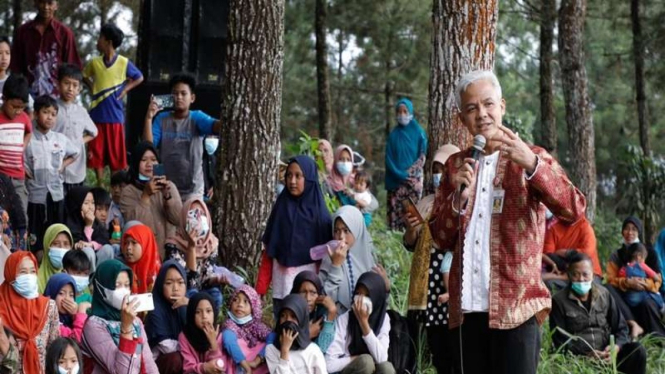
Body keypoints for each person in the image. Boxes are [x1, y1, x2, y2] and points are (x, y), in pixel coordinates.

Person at [428, 70, 586, 374]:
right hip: (466, 311)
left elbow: (574, 208)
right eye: (471, 108)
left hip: (516, 311)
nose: (482, 114)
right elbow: (440, 237)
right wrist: (456, 201)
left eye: (488, 104)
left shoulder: (531, 157)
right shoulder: (455, 166)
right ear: (462, 118)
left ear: (502, 106)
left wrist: (533, 166)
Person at [403, 144, 460, 374]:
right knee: (437, 349)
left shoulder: (462, 200)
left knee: (456, 347)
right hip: (427, 286)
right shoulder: (426, 201)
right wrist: (411, 229)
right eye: (435, 169)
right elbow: (410, 244)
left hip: (449, 282)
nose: (438, 175)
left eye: (444, 168)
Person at [257, 155, 332, 317]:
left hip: (308, 294)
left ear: (310, 178)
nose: (292, 181)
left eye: (298, 176)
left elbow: (324, 262)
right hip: (282, 290)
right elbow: (270, 252)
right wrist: (261, 289)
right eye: (289, 175)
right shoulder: (280, 208)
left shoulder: (321, 217)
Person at [550, 252, 647, 374]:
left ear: (593, 275)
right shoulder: (558, 301)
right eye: (575, 274)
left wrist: (615, 348)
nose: (581, 279)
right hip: (580, 362)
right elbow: (560, 341)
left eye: (585, 274)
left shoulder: (604, 294)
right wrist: (586, 357)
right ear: (569, 275)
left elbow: (621, 329)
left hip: (608, 355)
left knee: (637, 350)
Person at [144, 73, 222, 200]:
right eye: (175, 93)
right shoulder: (161, 119)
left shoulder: (197, 117)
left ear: (192, 98)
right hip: (165, 188)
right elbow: (148, 147)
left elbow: (215, 126)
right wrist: (149, 117)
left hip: (193, 190)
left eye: (183, 93)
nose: (179, 97)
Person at [84, 23, 143, 184]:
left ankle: (116, 188)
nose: (97, 41)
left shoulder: (124, 63)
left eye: (100, 38)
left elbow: (139, 77)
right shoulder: (94, 63)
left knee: (116, 157)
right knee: (96, 155)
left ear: (108, 42)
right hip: (96, 116)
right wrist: (92, 88)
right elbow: (84, 75)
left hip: (115, 117)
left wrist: (125, 90)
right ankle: (100, 187)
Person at [81, 259, 158, 373]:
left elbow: (145, 360)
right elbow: (122, 371)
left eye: (127, 285)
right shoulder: (94, 325)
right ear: (101, 287)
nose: (124, 291)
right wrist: (126, 327)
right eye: (117, 285)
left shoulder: (136, 322)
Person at [25, 95, 78, 255]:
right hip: (36, 196)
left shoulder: (60, 139)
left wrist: (62, 166)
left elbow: (75, 153)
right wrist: (27, 174)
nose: (50, 117)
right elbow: (19, 159)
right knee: (36, 239)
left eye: (53, 114)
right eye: (45, 112)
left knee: (56, 235)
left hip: (56, 195)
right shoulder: (29, 138)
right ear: (35, 114)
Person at [320, 206, 388, 315]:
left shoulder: (369, 258)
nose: (341, 237)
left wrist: (386, 287)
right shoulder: (329, 258)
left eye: (346, 231)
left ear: (357, 230)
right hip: (337, 325)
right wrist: (335, 266)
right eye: (336, 231)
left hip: (365, 325)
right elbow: (325, 300)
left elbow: (379, 303)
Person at [0, 251, 60, 373]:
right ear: (11, 274)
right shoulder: (2, 310)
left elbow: (55, 352)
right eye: (23, 272)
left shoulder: (48, 307)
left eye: (32, 271)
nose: (29, 276)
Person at [606, 216, 665, 338]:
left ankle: (659, 337)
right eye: (626, 229)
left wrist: (645, 284)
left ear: (639, 232)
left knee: (648, 303)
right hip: (626, 294)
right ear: (622, 231)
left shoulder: (649, 253)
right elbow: (611, 280)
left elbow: (658, 279)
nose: (630, 232)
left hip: (646, 293)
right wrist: (627, 282)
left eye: (634, 229)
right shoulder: (617, 255)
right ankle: (632, 324)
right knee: (607, 288)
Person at [119, 141, 182, 255]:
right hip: (144, 253)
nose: (149, 164)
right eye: (144, 160)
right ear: (136, 163)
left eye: (153, 160)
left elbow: (179, 219)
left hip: (170, 253)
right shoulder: (128, 192)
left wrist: (167, 197)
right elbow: (135, 226)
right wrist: (145, 196)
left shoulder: (169, 186)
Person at [325, 272, 393, 374]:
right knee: (366, 362)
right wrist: (355, 359)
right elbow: (329, 364)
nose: (361, 300)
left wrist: (364, 324)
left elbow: (382, 359)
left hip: (375, 368)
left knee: (387, 368)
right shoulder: (346, 319)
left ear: (376, 298)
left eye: (367, 295)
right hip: (350, 370)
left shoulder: (383, 318)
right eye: (358, 293)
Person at [10, 0, 82, 97]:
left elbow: (73, 68)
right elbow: (16, 67)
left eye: (50, 3)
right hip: (28, 96)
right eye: (42, 2)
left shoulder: (64, 33)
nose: (45, 7)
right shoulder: (23, 32)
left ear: (56, 5)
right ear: (35, 3)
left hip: (56, 98)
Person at [166, 198, 223, 310]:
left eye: (201, 214)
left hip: (203, 289)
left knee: (216, 295)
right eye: (192, 214)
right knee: (191, 293)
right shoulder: (173, 245)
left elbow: (207, 277)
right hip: (184, 289)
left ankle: (211, 325)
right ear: (184, 219)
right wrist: (191, 248)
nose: (197, 218)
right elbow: (187, 281)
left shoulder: (212, 243)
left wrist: (217, 279)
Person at [385, 97, 428, 231]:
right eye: (399, 112)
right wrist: (401, 175)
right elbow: (389, 159)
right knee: (396, 219)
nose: (402, 114)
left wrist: (412, 174)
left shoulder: (419, 132)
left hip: (413, 182)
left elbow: (423, 153)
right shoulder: (393, 136)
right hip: (396, 182)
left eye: (405, 111)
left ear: (410, 112)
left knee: (413, 217)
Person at [54, 63, 97, 193]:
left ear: (79, 89)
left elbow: (94, 132)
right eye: (66, 83)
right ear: (58, 84)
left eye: (75, 85)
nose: (70, 88)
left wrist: (80, 141)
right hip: (55, 166)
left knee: (75, 204)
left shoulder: (81, 112)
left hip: (76, 169)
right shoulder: (51, 108)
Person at [144, 260, 188, 374]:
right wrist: (192, 349)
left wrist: (192, 306)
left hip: (183, 355)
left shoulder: (186, 305)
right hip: (156, 364)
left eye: (180, 282)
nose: (175, 288)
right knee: (175, 360)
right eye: (169, 283)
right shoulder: (155, 307)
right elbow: (166, 346)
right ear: (160, 285)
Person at [265, 294, 328, 374]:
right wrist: (284, 351)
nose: (288, 320)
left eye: (293, 316)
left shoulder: (313, 351)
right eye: (283, 316)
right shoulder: (272, 349)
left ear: (301, 319)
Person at [0, 74, 33, 222]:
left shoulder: (24, 118)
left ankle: (21, 245)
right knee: (3, 218)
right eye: (14, 107)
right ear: (4, 99)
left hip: (18, 178)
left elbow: (29, 132)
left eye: (22, 107)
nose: (18, 111)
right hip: (1, 177)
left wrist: (23, 146)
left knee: (21, 217)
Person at [222, 285, 272, 374]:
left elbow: (272, 336)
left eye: (246, 301)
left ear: (253, 306)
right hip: (240, 366)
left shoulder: (256, 326)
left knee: (269, 343)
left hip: (256, 363)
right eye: (235, 300)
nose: (240, 304)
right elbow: (228, 340)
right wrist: (245, 365)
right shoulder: (230, 324)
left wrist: (257, 360)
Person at [541, 215, 601, 289]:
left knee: (593, 290)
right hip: (562, 272)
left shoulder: (585, 227)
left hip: (588, 274)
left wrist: (566, 253)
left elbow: (586, 254)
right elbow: (548, 255)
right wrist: (564, 269)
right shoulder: (553, 229)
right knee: (547, 284)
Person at [65, 186, 114, 272]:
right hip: (78, 264)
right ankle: (89, 281)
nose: (91, 207)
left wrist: (91, 244)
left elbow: (104, 240)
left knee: (108, 249)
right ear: (77, 204)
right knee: (88, 252)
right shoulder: (70, 223)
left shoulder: (95, 222)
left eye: (93, 203)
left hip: (96, 260)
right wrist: (88, 226)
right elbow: (78, 243)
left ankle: (100, 280)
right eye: (86, 203)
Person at [289, 271, 337, 354]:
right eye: (303, 292)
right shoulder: (289, 312)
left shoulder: (322, 315)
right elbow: (282, 344)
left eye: (313, 293)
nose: (307, 298)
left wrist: (332, 312)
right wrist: (306, 335)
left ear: (319, 295)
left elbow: (322, 349)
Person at [179, 292, 226, 374]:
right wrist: (204, 368)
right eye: (198, 312)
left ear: (214, 313)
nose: (204, 316)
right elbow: (188, 369)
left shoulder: (219, 334)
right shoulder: (185, 336)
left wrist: (213, 344)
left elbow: (220, 367)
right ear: (191, 314)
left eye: (208, 311)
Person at [43, 273, 90, 343]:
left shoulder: (69, 317)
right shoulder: (48, 319)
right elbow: (75, 341)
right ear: (52, 294)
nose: (67, 299)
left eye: (71, 295)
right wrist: (80, 313)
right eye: (61, 293)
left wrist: (74, 316)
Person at [619, 243, 664, 308]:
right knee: (655, 294)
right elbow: (655, 276)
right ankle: (662, 306)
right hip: (641, 296)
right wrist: (658, 277)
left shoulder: (624, 268)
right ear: (639, 256)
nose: (644, 261)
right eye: (644, 258)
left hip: (629, 299)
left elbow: (621, 279)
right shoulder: (642, 265)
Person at [121, 224, 161, 294]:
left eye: (134, 243)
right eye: (126, 243)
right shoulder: (121, 272)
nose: (128, 248)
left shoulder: (161, 275)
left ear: (145, 244)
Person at [0, 36, 35, 112]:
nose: (4, 57)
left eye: (7, 53)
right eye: (0, 53)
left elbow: (32, 108)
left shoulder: (15, 82)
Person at [37, 223, 74, 293]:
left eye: (66, 244)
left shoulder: (76, 276)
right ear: (47, 246)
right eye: (56, 243)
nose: (61, 247)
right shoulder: (36, 280)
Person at [202, 135, 219, 201]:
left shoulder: (221, 157)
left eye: (215, 137)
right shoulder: (200, 155)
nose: (211, 139)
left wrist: (216, 187)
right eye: (209, 136)